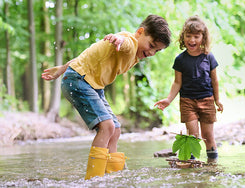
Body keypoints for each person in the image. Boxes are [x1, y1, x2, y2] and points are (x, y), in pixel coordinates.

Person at [41, 14, 171, 179]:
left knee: (115, 129)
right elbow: (125, 42)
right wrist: (117, 39)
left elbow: (86, 56)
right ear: (140, 32)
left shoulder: (136, 51)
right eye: (152, 45)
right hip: (79, 80)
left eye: (157, 50)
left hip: (90, 83)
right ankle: (94, 179)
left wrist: (61, 69)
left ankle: (112, 177)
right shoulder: (129, 42)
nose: (152, 52)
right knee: (107, 127)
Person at [154, 15, 223, 163]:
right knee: (193, 136)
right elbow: (177, 83)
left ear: (203, 38)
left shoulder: (209, 57)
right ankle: (191, 167)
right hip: (187, 102)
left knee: (208, 136)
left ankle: (213, 166)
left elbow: (215, 81)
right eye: (188, 36)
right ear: (183, 37)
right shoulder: (180, 60)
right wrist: (168, 99)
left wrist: (217, 100)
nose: (192, 40)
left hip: (207, 100)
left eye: (196, 36)